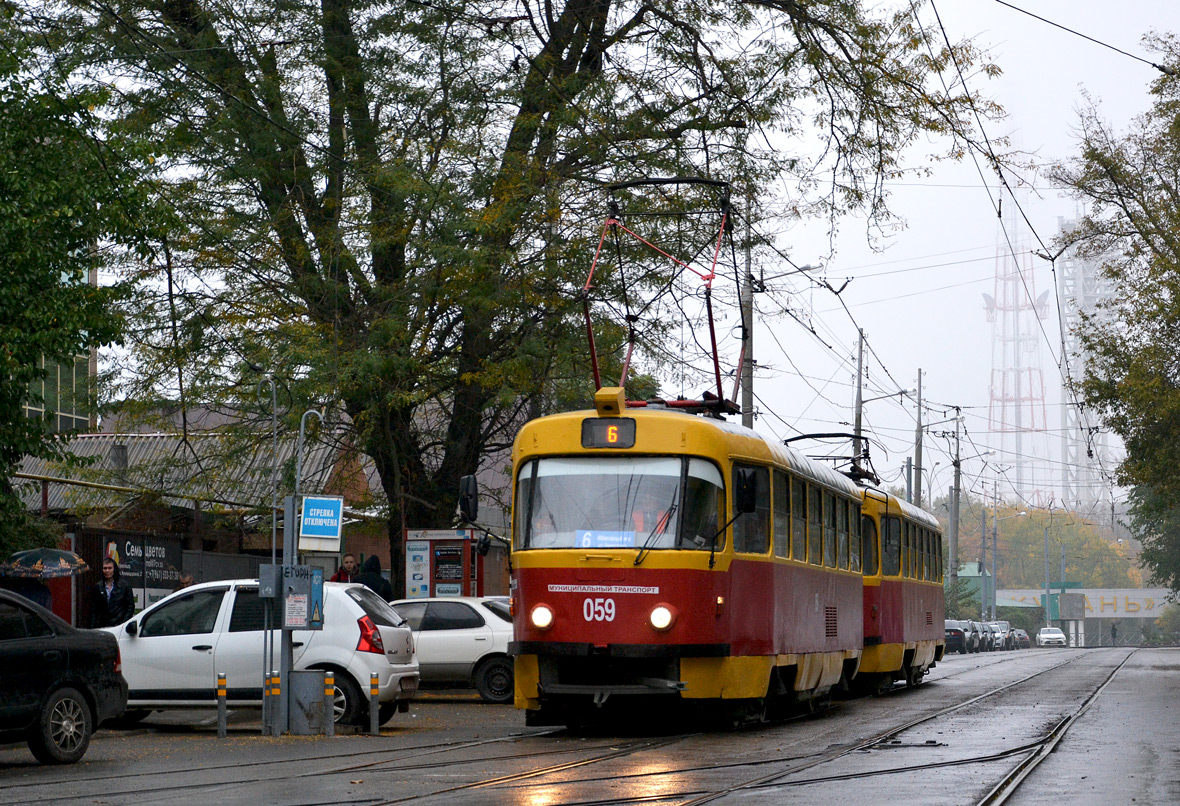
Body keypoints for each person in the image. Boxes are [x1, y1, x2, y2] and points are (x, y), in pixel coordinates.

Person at [90, 557, 135, 627]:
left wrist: (123, 623)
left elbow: (130, 606)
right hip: (103, 626)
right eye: (105, 568)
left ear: (114, 569)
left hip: (119, 625)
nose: (107, 571)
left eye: (110, 568)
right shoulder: (98, 587)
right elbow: (94, 609)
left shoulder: (124, 586)